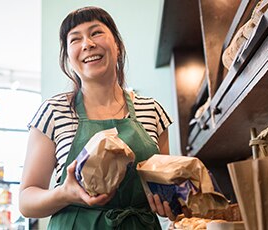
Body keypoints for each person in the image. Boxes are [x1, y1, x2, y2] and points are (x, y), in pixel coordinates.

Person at [19, 6, 177, 229]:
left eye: (96, 33)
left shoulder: (152, 111)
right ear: (68, 58)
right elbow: (26, 201)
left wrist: (169, 203)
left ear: (118, 46)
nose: (87, 44)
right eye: (75, 39)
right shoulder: (53, 112)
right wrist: (65, 194)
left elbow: (163, 188)